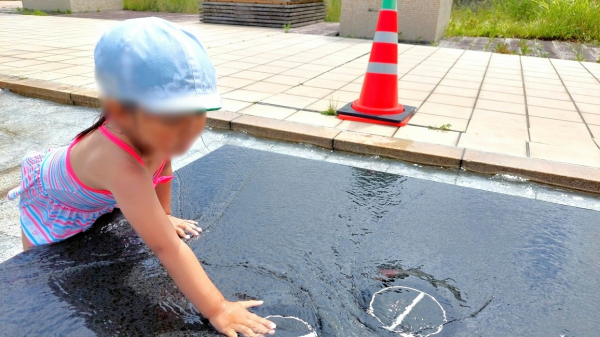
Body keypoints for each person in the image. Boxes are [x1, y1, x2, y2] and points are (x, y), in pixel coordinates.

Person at [6, 17, 275, 337]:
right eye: (173, 120)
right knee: (41, 276)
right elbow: (167, 249)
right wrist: (217, 307)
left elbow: (164, 167)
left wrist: (163, 215)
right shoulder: (120, 164)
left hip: (94, 195)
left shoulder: (153, 134)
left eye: (196, 116)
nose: (185, 135)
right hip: (51, 204)